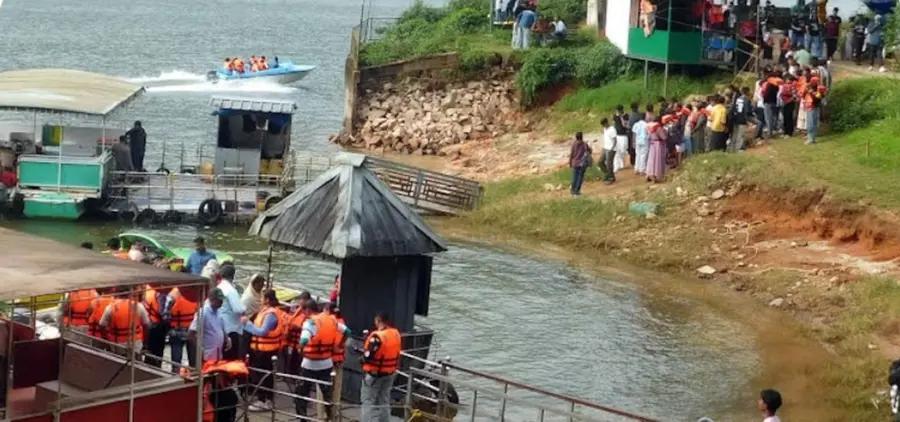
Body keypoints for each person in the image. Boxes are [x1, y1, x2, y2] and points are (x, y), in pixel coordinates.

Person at [293, 300, 351, 420]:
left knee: (301, 395)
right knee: (328, 396)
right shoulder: (332, 320)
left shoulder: (310, 323)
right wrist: (339, 345)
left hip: (309, 365)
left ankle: (303, 419)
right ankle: (331, 418)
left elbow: (304, 340)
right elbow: (347, 332)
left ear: (308, 310)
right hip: (326, 363)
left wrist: (301, 350)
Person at [243, 289, 285, 411]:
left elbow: (262, 332)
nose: (260, 300)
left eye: (262, 298)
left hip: (266, 351)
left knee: (262, 376)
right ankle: (264, 399)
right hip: (261, 350)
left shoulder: (271, 315)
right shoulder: (266, 312)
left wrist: (247, 324)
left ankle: (264, 400)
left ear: (267, 299)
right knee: (262, 375)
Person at [360, 311, 402, 422]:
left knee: (368, 401)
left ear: (378, 321)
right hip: (390, 372)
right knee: (384, 399)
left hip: (374, 374)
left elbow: (368, 355)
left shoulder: (377, 337)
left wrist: (361, 359)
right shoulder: (395, 333)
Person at [98, 290, 151, 357]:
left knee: (118, 365)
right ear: (131, 294)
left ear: (117, 294)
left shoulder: (110, 308)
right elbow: (147, 325)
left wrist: (106, 340)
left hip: (117, 344)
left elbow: (101, 325)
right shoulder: (139, 306)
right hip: (135, 344)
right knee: (136, 364)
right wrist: (145, 343)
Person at [189, 288, 230, 363]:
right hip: (207, 355)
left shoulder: (219, 312)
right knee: (207, 374)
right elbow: (191, 333)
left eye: (222, 300)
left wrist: (227, 338)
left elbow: (221, 328)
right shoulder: (203, 312)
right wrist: (200, 348)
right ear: (212, 299)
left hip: (218, 354)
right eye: (219, 300)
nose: (221, 302)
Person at [218, 264, 245, 360]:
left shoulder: (219, 287)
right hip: (231, 329)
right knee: (231, 358)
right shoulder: (231, 290)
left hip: (220, 327)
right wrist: (245, 309)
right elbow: (238, 309)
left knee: (222, 356)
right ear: (233, 276)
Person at [169, 287, 199, 373]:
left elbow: (165, 314)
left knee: (176, 362)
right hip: (192, 331)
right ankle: (194, 377)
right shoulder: (195, 294)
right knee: (194, 362)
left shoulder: (172, 295)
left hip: (176, 331)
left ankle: (175, 377)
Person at [284, 291, 313, 377]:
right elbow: (290, 319)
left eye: (303, 299)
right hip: (293, 340)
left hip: (302, 341)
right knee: (292, 359)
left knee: (299, 360)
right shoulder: (297, 309)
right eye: (301, 299)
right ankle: (290, 375)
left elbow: (308, 325)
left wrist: (297, 326)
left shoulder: (309, 312)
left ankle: (298, 376)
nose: (301, 301)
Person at [142, 286, 170, 367]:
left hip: (149, 323)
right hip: (157, 327)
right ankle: (156, 369)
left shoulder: (148, 290)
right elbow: (162, 312)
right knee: (157, 352)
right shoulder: (161, 294)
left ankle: (147, 368)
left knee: (149, 350)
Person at [645, 116, 668, 183]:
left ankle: (648, 175)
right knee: (657, 161)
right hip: (658, 145)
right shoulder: (658, 128)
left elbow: (648, 136)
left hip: (652, 144)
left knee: (651, 160)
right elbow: (664, 137)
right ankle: (656, 177)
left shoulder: (650, 127)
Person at [568, 132, 590, 196]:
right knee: (580, 178)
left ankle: (572, 190)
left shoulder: (574, 144)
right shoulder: (584, 144)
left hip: (575, 163)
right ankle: (577, 191)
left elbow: (571, 154)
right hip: (582, 164)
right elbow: (589, 151)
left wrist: (570, 162)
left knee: (574, 177)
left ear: (576, 137)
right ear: (582, 137)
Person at [730, 87, 751, 152]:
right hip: (741, 118)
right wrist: (747, 120)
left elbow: (734, 107)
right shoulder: (747, 99)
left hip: (735, 117)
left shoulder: (738, 98)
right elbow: (747, 111)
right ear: (747, 92)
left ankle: (732, 148)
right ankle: (738, 148)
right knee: (740, 134)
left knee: (734, 134)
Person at [600, 118, 617, 184]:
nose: (604, 126)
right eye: (603, 125)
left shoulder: (612, 129)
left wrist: (611, 149)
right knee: (600, 162)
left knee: (609, 163)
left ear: (607, 123)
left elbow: (615, 140)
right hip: (605, 147)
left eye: (604, 125)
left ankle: (610, 178)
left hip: (611, 148)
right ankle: (608, 174)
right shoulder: (604, 128)